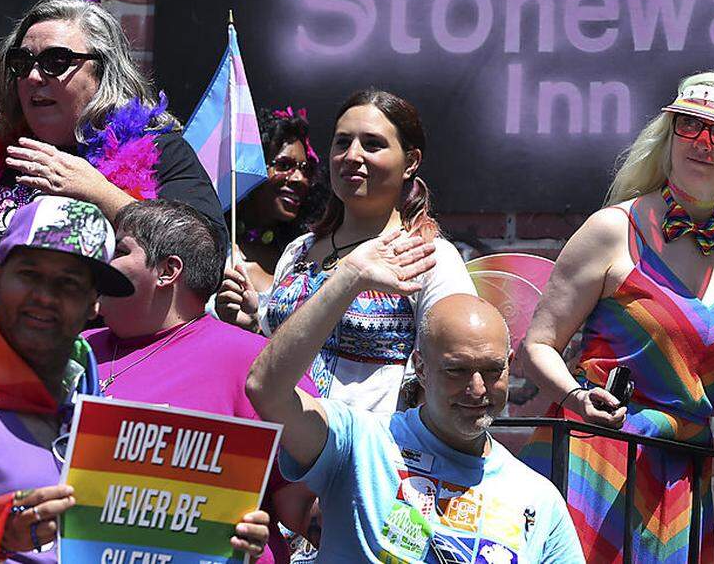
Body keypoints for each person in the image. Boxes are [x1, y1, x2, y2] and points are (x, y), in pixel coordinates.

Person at [517, 68, 714, 563]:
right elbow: (536, 346)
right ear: (669, 135)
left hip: (681, 482)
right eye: (689, 125)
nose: (703, 143)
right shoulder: (613, 229)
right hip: (595, 463)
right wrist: (576, 397)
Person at [0, 196, 265, 562]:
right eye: (30, 275)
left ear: (93, 303)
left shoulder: (98, 422)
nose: (46, 297)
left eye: (69, 284)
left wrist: (218, 539)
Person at [245, 230, 584, 563]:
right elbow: (266, 389)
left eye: (493, 370)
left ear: (510, 366)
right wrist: (349, 279)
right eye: (456, 370)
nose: (478, 388)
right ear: (420, 368)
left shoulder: (538, 500)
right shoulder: (360, 443)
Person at [0, 0, 225, 338]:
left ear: (102, 71)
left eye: (57, 60)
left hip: (85, 377)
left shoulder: (161, 150)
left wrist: (98, 192)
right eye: (22, 62)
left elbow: (206, 258)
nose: (35, 76)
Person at [82, 198, 322, 563]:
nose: (101, 262)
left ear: (168, 270)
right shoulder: (73, 351)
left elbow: (304, 505)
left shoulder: (253, 363)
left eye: (119, 250)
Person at [223, 89, 475, 414]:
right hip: (275, 446)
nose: (352, 155)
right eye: (342, 142)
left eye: (372, 144)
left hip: (370, 453)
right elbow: (273, 360)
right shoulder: (299, 251)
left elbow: (454, 370)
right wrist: (252, 325)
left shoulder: (427, 258)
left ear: (410, 162)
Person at [215, 106, 322, 329]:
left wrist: (255, 327)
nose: (299, 179)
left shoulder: (302, 258)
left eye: (306, 170)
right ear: (251, 167)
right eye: (284, 165)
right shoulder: (212, 247)